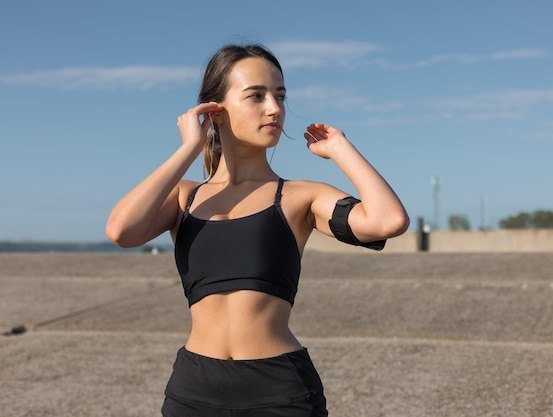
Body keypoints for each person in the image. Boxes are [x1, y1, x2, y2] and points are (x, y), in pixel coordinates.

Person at [106, 43, 409, 417]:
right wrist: (189, 147)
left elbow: (388, 221)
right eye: (257, 96)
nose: (275, 109)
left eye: (280, 96)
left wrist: (342, 149)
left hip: (279, 390)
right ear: (214, 110)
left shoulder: (300, 197)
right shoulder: (184, 197)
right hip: (194, 391)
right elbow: (121, 230)